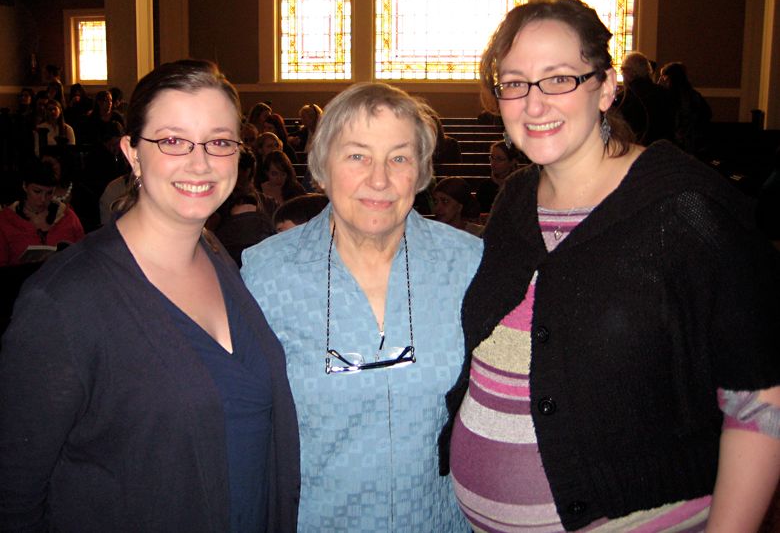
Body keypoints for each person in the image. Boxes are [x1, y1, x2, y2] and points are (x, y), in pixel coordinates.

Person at [438, 0, 780, 533]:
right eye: (514, 82)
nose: (534, 103)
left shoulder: (687, 209)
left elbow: (760, 402)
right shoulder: (513, 200)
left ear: (606, 87)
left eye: (558, 79)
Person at [0, 59, 300, 532]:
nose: (200, 162)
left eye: (219, 141)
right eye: (173, 140)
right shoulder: (64, 301)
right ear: (133, 153)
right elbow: (15, 496)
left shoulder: (219, 258)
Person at [241, 81, 483, 532]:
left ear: (422, 170)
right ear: (321, 167)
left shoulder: (469, 265)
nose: (379, 179)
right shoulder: (265, 275)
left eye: (399, 157)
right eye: (357, 155)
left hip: (437, 521)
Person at [0, 160, 85, 266]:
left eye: (49, 193)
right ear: (25, 186)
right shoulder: (6, 220)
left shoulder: (67, 216)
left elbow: (84, 254)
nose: (43, 199)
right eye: (37, 191)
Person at [615, 51, 675, 145]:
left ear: (630, 73)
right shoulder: (664, 93)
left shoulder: (625, 99)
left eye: (623, 70)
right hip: (663, 149)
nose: (622, 74)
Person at [658, 61, 712, 157]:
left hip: (681, 142)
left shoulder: (669, 97)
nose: (661, 81)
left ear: (670, 78)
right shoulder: (694, 95)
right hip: (694, 142)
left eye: (663, 78)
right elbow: (707, 114)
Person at [476, 140, 525, 212]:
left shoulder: (521, 185)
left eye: (500, 159)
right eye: (492, 158)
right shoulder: (485, 186)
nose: (493, 163)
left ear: (512, 162)